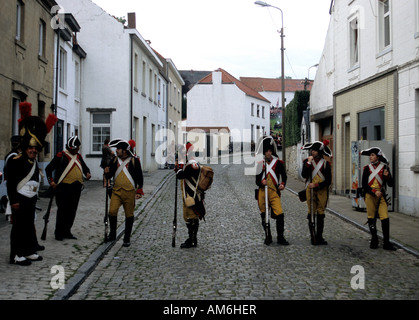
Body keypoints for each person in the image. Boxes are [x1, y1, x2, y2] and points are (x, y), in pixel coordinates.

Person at [7, 102, 57, 265]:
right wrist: (13, 200)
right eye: (30, 148)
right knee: (19, 228)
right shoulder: (16, 161)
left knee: (28, 227)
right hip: (19, 200)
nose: (33, 151)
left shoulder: (33, 161)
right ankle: (16, 255)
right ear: (24, 147)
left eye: (36, 149)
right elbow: (11, 182)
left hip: (30, 199)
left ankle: (28, 251)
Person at [46, 136, 91, 241]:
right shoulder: (61, 156)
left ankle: (67, 231)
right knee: (62, 211)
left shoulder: (78, 156)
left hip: (76, 188)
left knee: (72, 210)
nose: (77, 150)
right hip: (63, 187)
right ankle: (58, 233)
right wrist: (51, 181)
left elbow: (85, 168)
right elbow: (48, 168)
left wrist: (87, 173)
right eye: (76, 148)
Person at [104, 138, 144, 247]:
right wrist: (106, 173)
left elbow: (139, 177)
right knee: (112, 212)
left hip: (129, 192)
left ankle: (126, 238)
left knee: (129, 215)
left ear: (124, 151)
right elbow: (110, 175)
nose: (116, 150)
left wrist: (139, 190)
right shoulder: (114, 161)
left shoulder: (134, 161)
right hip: (116, 192)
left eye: (118, 149)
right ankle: (112, 234)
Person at [361, 147, 396, 250]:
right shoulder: (367, 168)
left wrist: (388, 176)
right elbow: (364, 185)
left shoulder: (384, 168)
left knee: (385, 217)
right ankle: (374, 239)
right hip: (370, 195)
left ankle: (386, 242)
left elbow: (391, 184)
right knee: (371, 217)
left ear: (378, 157)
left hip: (381, 196)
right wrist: (374, 191)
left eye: (372, 155)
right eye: (370, 155)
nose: (370, 157)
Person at [255, 136, 288, 246]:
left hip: (274, 192)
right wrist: (261, 182)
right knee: (264, 215)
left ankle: (280, 237)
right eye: (266, 151)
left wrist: (282, 184)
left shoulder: (278, 163)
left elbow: (284, 176)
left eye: (270, 151)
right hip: (262, 192)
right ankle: (267, 235)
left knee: (280, 213)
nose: (268, 153)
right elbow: (256, 181)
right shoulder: (260, 164)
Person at [174, 142, 205, 248]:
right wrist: (178, 168)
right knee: (187, 216)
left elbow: (182, 175)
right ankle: (191, 238)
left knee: (191, 216)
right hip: (188, 194)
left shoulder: (191, 164)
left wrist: (178, 170)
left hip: (191, 194)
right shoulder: (188, 164)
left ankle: (192, 240)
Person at [301, 140, 332, 245]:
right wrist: (308, 164)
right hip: (310, 190)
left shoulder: (325, 164)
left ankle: (319, 236)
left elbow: (328, 181)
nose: (312, 152)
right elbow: (304, 175)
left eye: (314, 150)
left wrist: (317, 185)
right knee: (311, 211)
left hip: (322, 191)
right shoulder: (307, 162)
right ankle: (312, 236)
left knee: (320, 212)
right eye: (312, 150)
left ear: (319, 152)